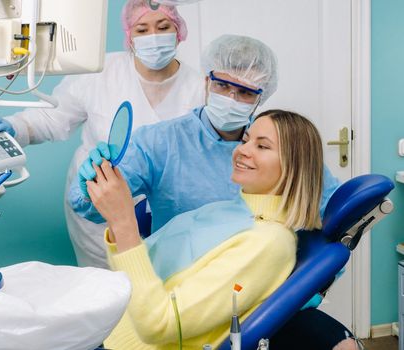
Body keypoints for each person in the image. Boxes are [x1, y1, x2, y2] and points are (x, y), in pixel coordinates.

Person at [71, 34, 357, 350]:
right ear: (207, 82)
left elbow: (332, 221)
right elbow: (92, 205)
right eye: (222, 85)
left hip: (196, 306)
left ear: (260, 97)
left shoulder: (267, 238)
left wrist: (306, 285)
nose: (231, 98)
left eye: (245, 92)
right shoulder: (164, 144)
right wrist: (92, 185)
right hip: (156, 295)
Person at [0, 0, 205, 268]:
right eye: (141, 29)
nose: (153, 37)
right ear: (129, 37)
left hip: (168, 211)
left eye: (163, 26)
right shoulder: (101, 73)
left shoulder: (199, 87)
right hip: (98, 203)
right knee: (104, 287)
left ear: (179, 31)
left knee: (160, 285)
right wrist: (18, 127)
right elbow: (54, 115)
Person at [86, 110, 328, 349]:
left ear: (294, 166)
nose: (242, 150)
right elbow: (140, 266)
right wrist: (115, 213)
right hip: (110, 326)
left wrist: (123, 221)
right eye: (246, 140)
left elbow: (160, 324)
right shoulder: (228, 211)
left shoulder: (268, 243)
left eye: (262, 147)